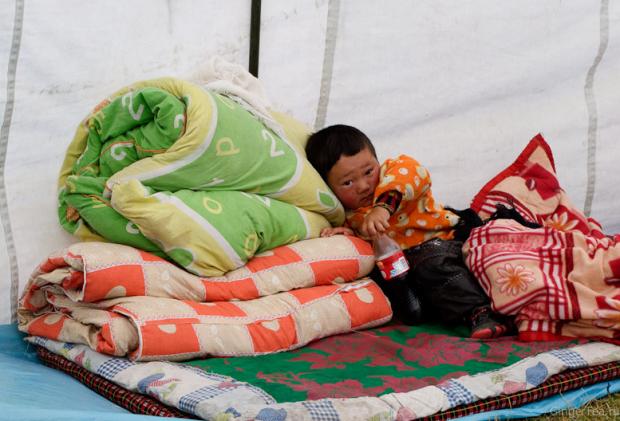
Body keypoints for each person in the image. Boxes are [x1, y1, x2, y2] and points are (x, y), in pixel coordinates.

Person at [305, 124, 510, 339]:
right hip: (402, 268)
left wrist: (383, 207)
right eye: (348, 182)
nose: (364, 185)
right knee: (391, 287)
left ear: (378, 162)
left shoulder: (396, 172)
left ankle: (480, 312)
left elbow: (412, 174)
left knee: (435, 264)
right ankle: (431, 310)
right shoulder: (351, 215)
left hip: (442, 242)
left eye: (368, 171)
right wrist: (345, 236)